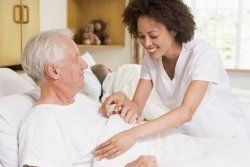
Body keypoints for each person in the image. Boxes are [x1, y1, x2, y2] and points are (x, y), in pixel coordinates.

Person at [95, 0, 250, 160]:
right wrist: (123, 98)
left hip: (227, 137)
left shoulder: (202, 54)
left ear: (173, 29)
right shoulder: (150, 61)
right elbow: (137, 108)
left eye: (153, 35)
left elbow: (187, 111)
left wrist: (134, 134)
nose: (147, 43)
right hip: (190, 138)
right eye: (141, 36)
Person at [19, 29, 157, 167]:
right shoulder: (42, 122)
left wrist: (123, 107)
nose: (85, 65)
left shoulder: (80, 99)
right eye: (75, 59)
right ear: (54, 71)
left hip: (156, 143)